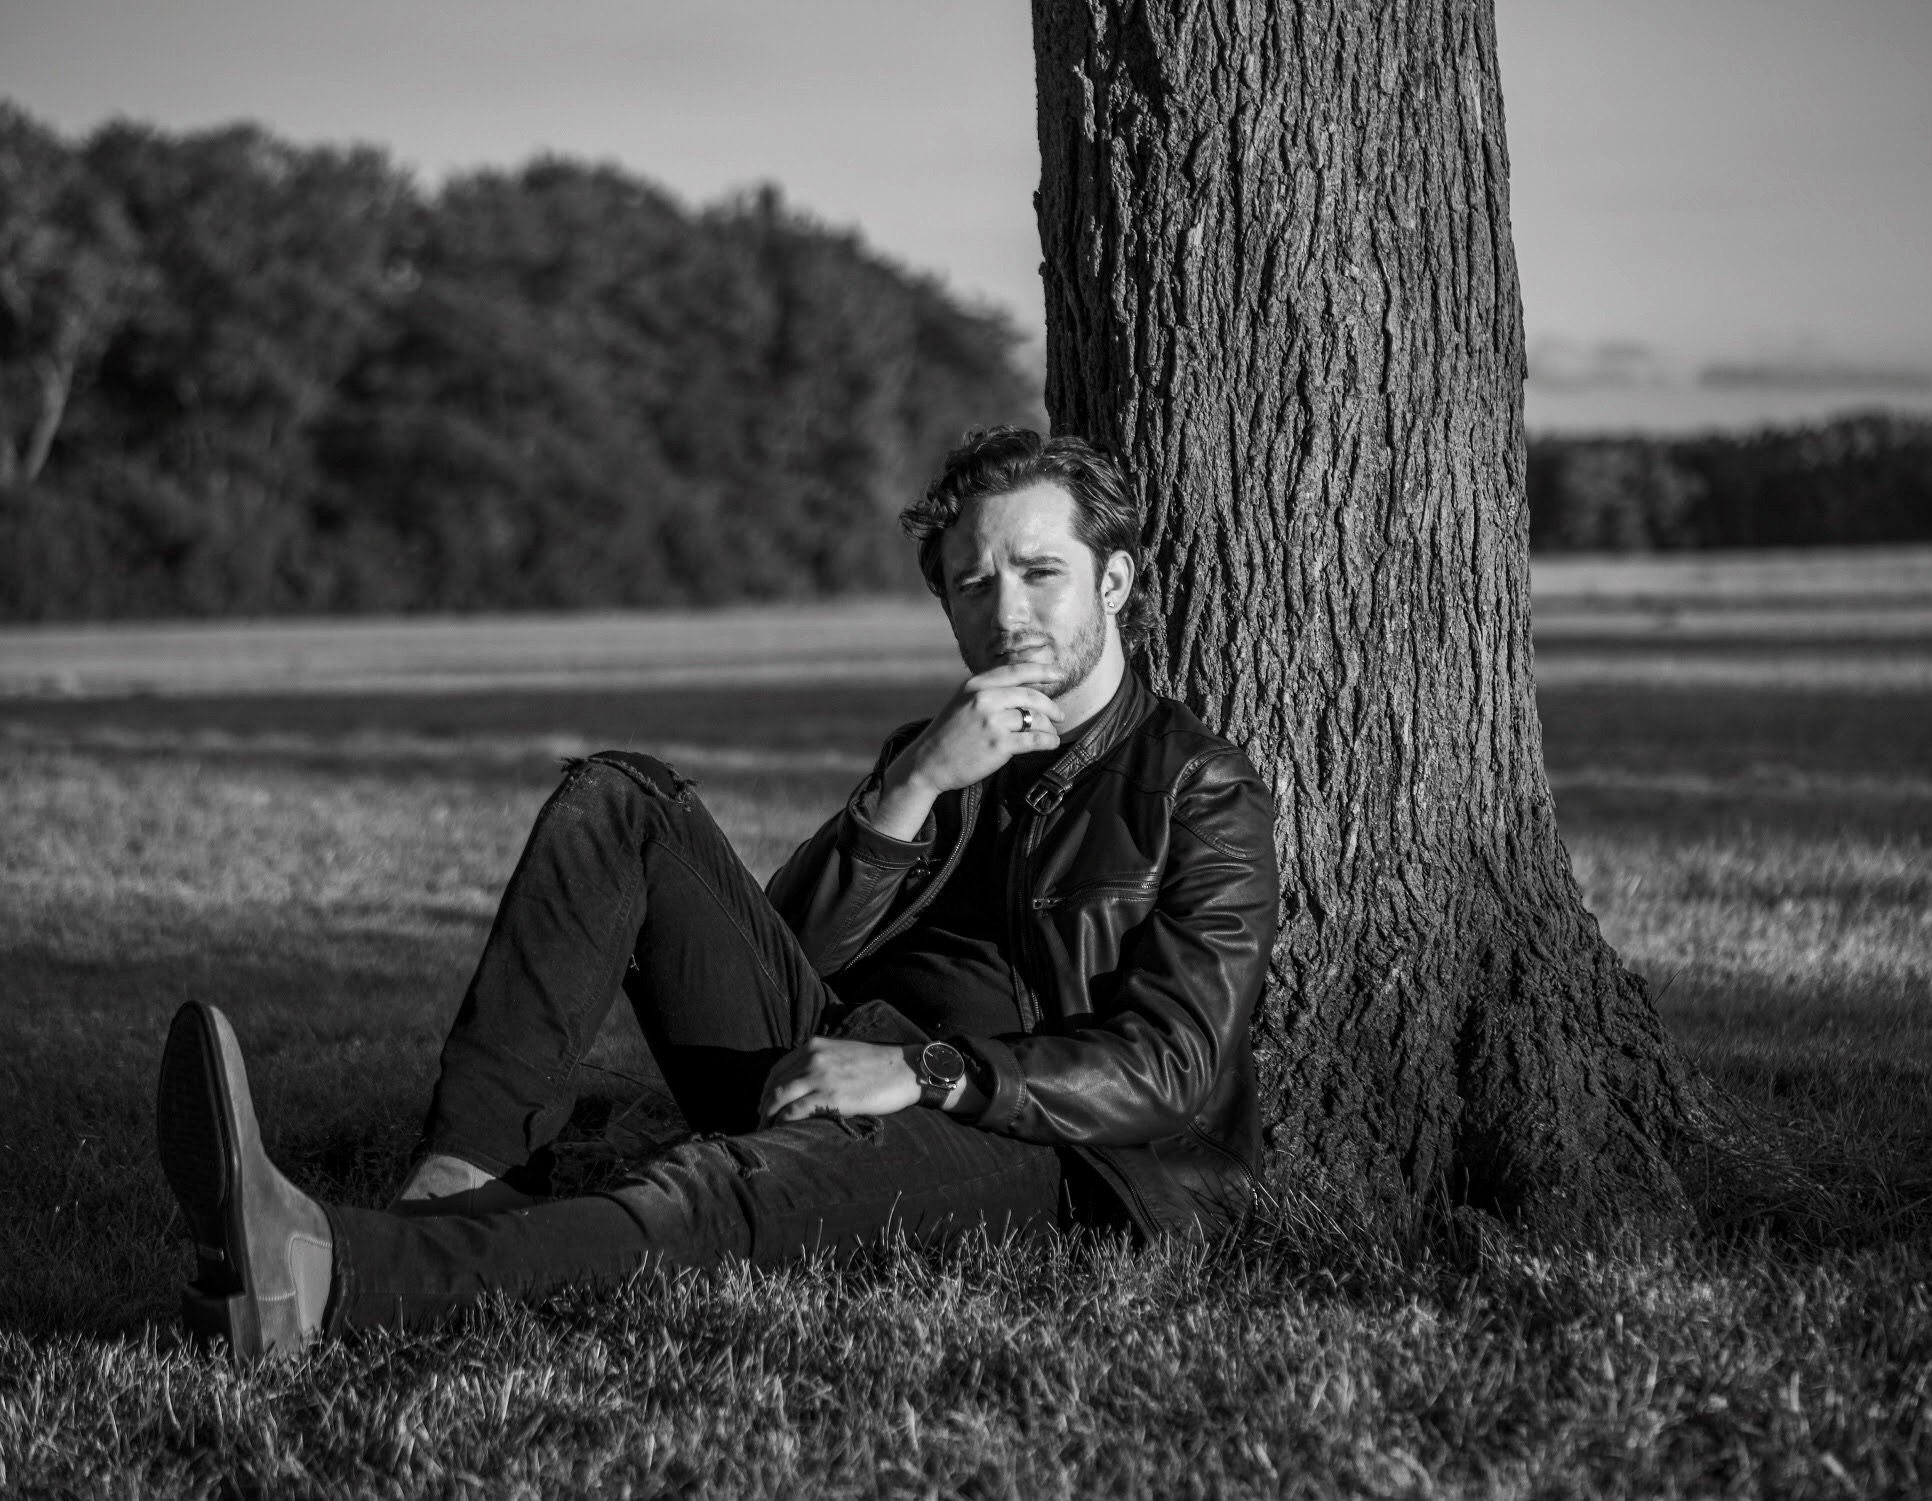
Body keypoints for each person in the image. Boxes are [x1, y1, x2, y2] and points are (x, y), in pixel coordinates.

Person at [155, 425, 1280, 1359]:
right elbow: (785, 950)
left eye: (1040, 572)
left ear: (1112, 581)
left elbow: (1173, 1066)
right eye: (973, 582)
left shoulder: (1198, 786)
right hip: (843, 1044)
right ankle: (463, 1183)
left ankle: (330, 1273)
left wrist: (926, 1071)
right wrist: (913, 786)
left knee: (716, 1190)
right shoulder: (940, 749)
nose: (1006, 611)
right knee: (617, 797)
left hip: (1032, 1137)